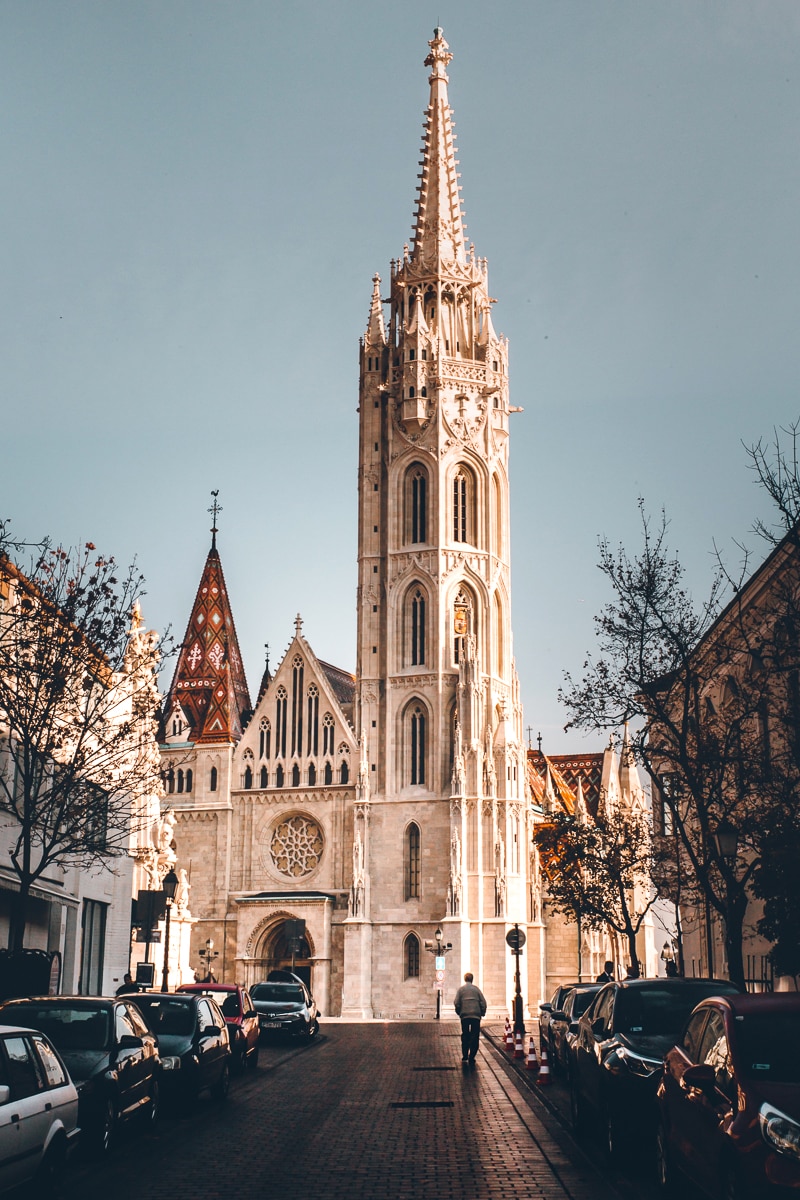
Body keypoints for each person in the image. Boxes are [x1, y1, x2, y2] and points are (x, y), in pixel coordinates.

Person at [453, 972, 487, 1066]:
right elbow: (483, 1002)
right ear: (472, 979)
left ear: (465, 979)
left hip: (465, 1016)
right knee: (475, 1036)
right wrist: (482, 1012)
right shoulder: (476, 990)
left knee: (465, 1035)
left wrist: (459, 1012)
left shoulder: (461, 990)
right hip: (476, 1016)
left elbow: (456, 1002)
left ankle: (465, 1055)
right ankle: (472, 1056)